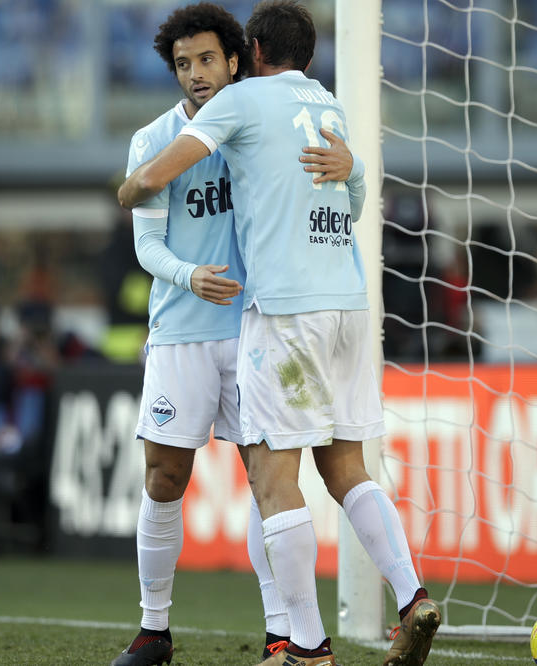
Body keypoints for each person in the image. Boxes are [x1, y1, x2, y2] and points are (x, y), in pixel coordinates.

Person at [117, 3, 440, 665]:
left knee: (270, 480)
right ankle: (158, 628)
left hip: (268, 321)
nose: (195, 73)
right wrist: (187, 273)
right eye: (183, 63)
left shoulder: (244, 107)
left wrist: (127, 190)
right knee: (183, 475)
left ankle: (299, 642)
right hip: (225, 322)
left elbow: (144, 185)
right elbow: (353, 202)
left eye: (207, 59)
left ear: (245, 57)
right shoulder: (321, 106)